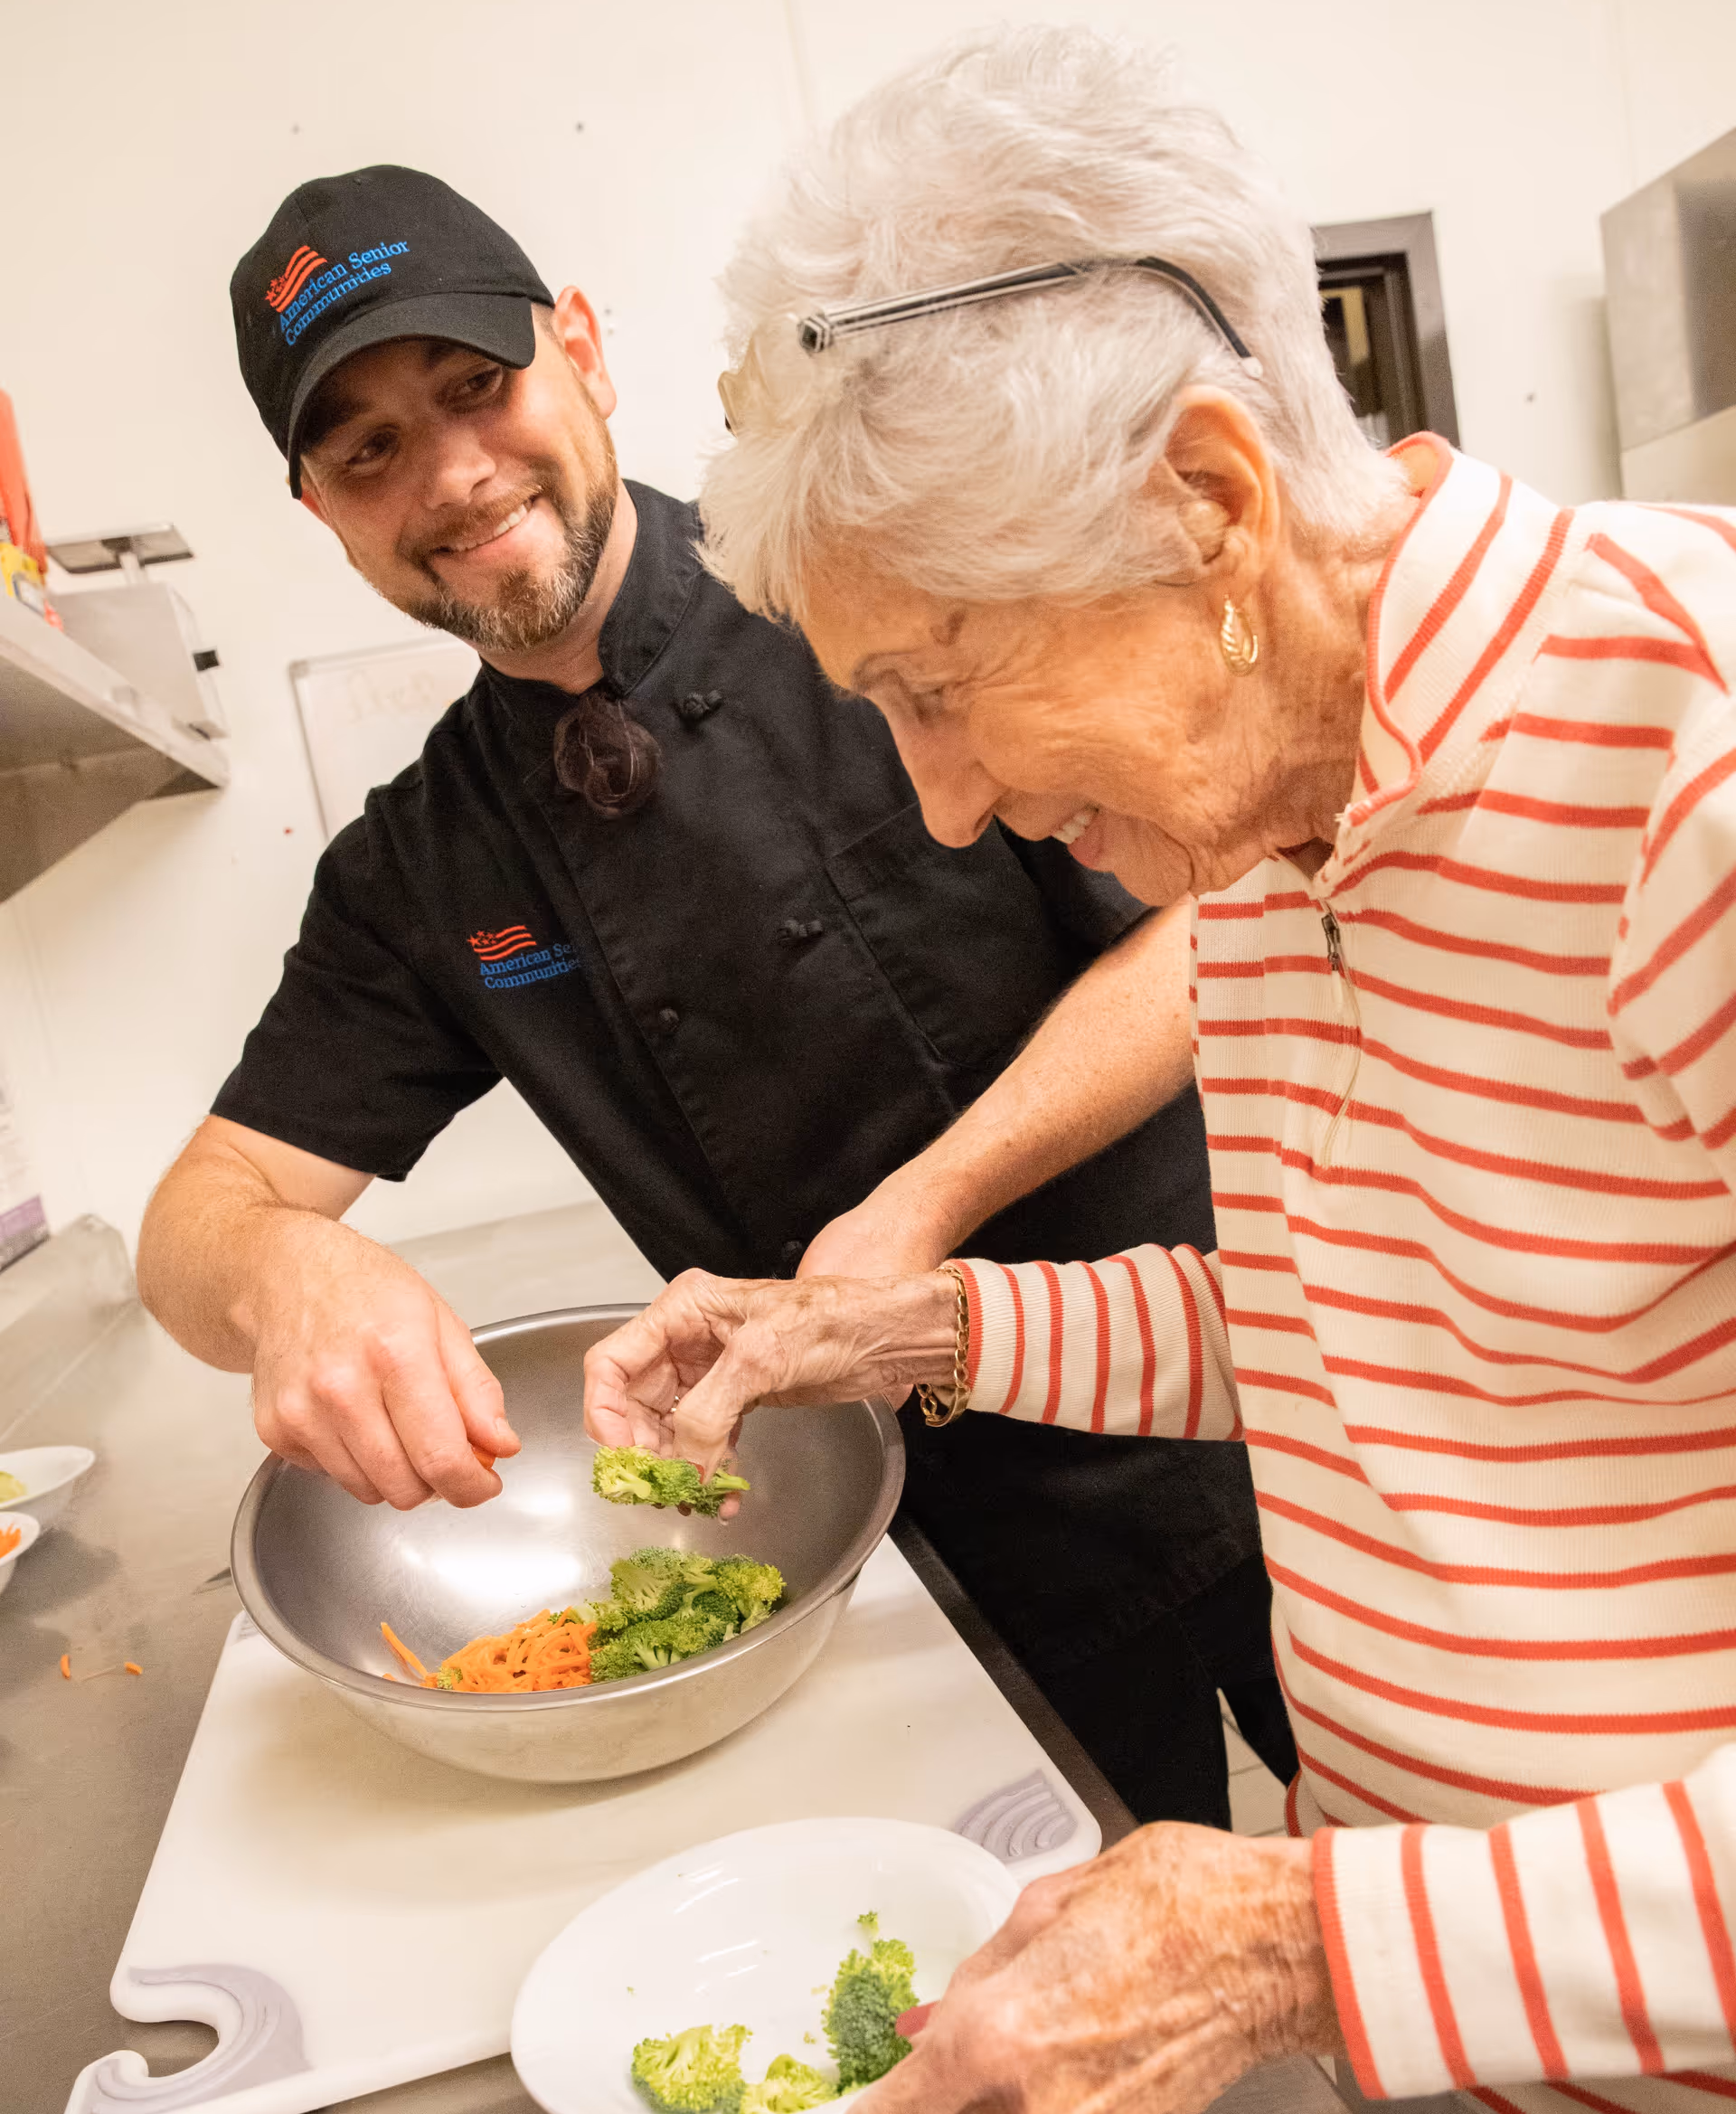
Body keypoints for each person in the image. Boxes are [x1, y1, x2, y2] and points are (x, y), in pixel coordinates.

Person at [581, 28, 1736, 2114]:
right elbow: (1355, 1322)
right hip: (1477, 2104)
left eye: (934, 686)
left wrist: (1292, 1945)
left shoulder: (1693, 771)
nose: (950, 799)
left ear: (1212, 506)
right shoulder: (1288, 829)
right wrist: (920, 1325)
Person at [135, 161, 1291, 1829]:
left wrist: (925, 1201)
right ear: (321, 510)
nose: (453, 475)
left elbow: (1212, 921)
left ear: (585, 351)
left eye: (478, 387)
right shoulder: (422, 867)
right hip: (945, 1570)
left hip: (1250, 1404)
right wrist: (286, 1270)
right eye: (370, 447)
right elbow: (200, 1219)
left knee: (1467, 1925)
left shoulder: (872, 599)